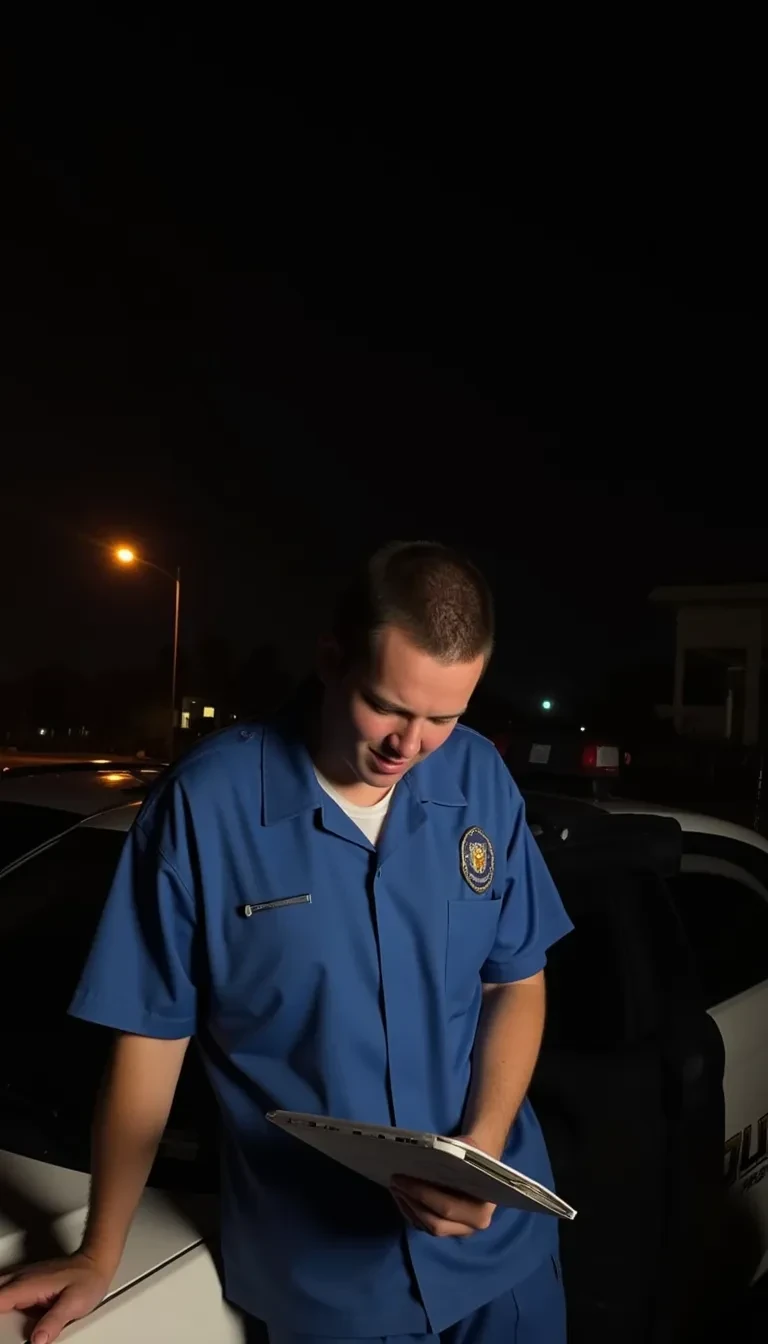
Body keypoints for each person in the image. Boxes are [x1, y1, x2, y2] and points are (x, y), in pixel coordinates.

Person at [0, 541, 573, 1344]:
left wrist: (482, 1145)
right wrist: (101, 1251)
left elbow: (514, 978)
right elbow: (151, 1040)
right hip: (327, 1287)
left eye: (443, 717)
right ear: (332, 659)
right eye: (388, 705)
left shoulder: (480, 779)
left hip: (501, 1263)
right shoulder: (204, 807)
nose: (411, 744)